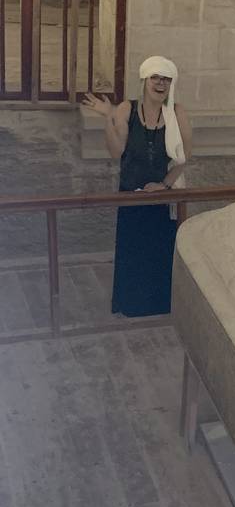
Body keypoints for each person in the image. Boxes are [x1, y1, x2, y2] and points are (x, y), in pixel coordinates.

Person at [83, 56, 192, 316]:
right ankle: (132, 304)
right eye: (156, 78)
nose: (161, 84)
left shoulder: (177, 113)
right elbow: (116, 151)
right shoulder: (126, 109)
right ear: (145, 81)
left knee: (160, 252)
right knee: (133, 252)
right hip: (131, 194)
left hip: (161, 197)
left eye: (166, 79)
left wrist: (163, 185)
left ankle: (160, 306)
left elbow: (185, 157)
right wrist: (109, 117)